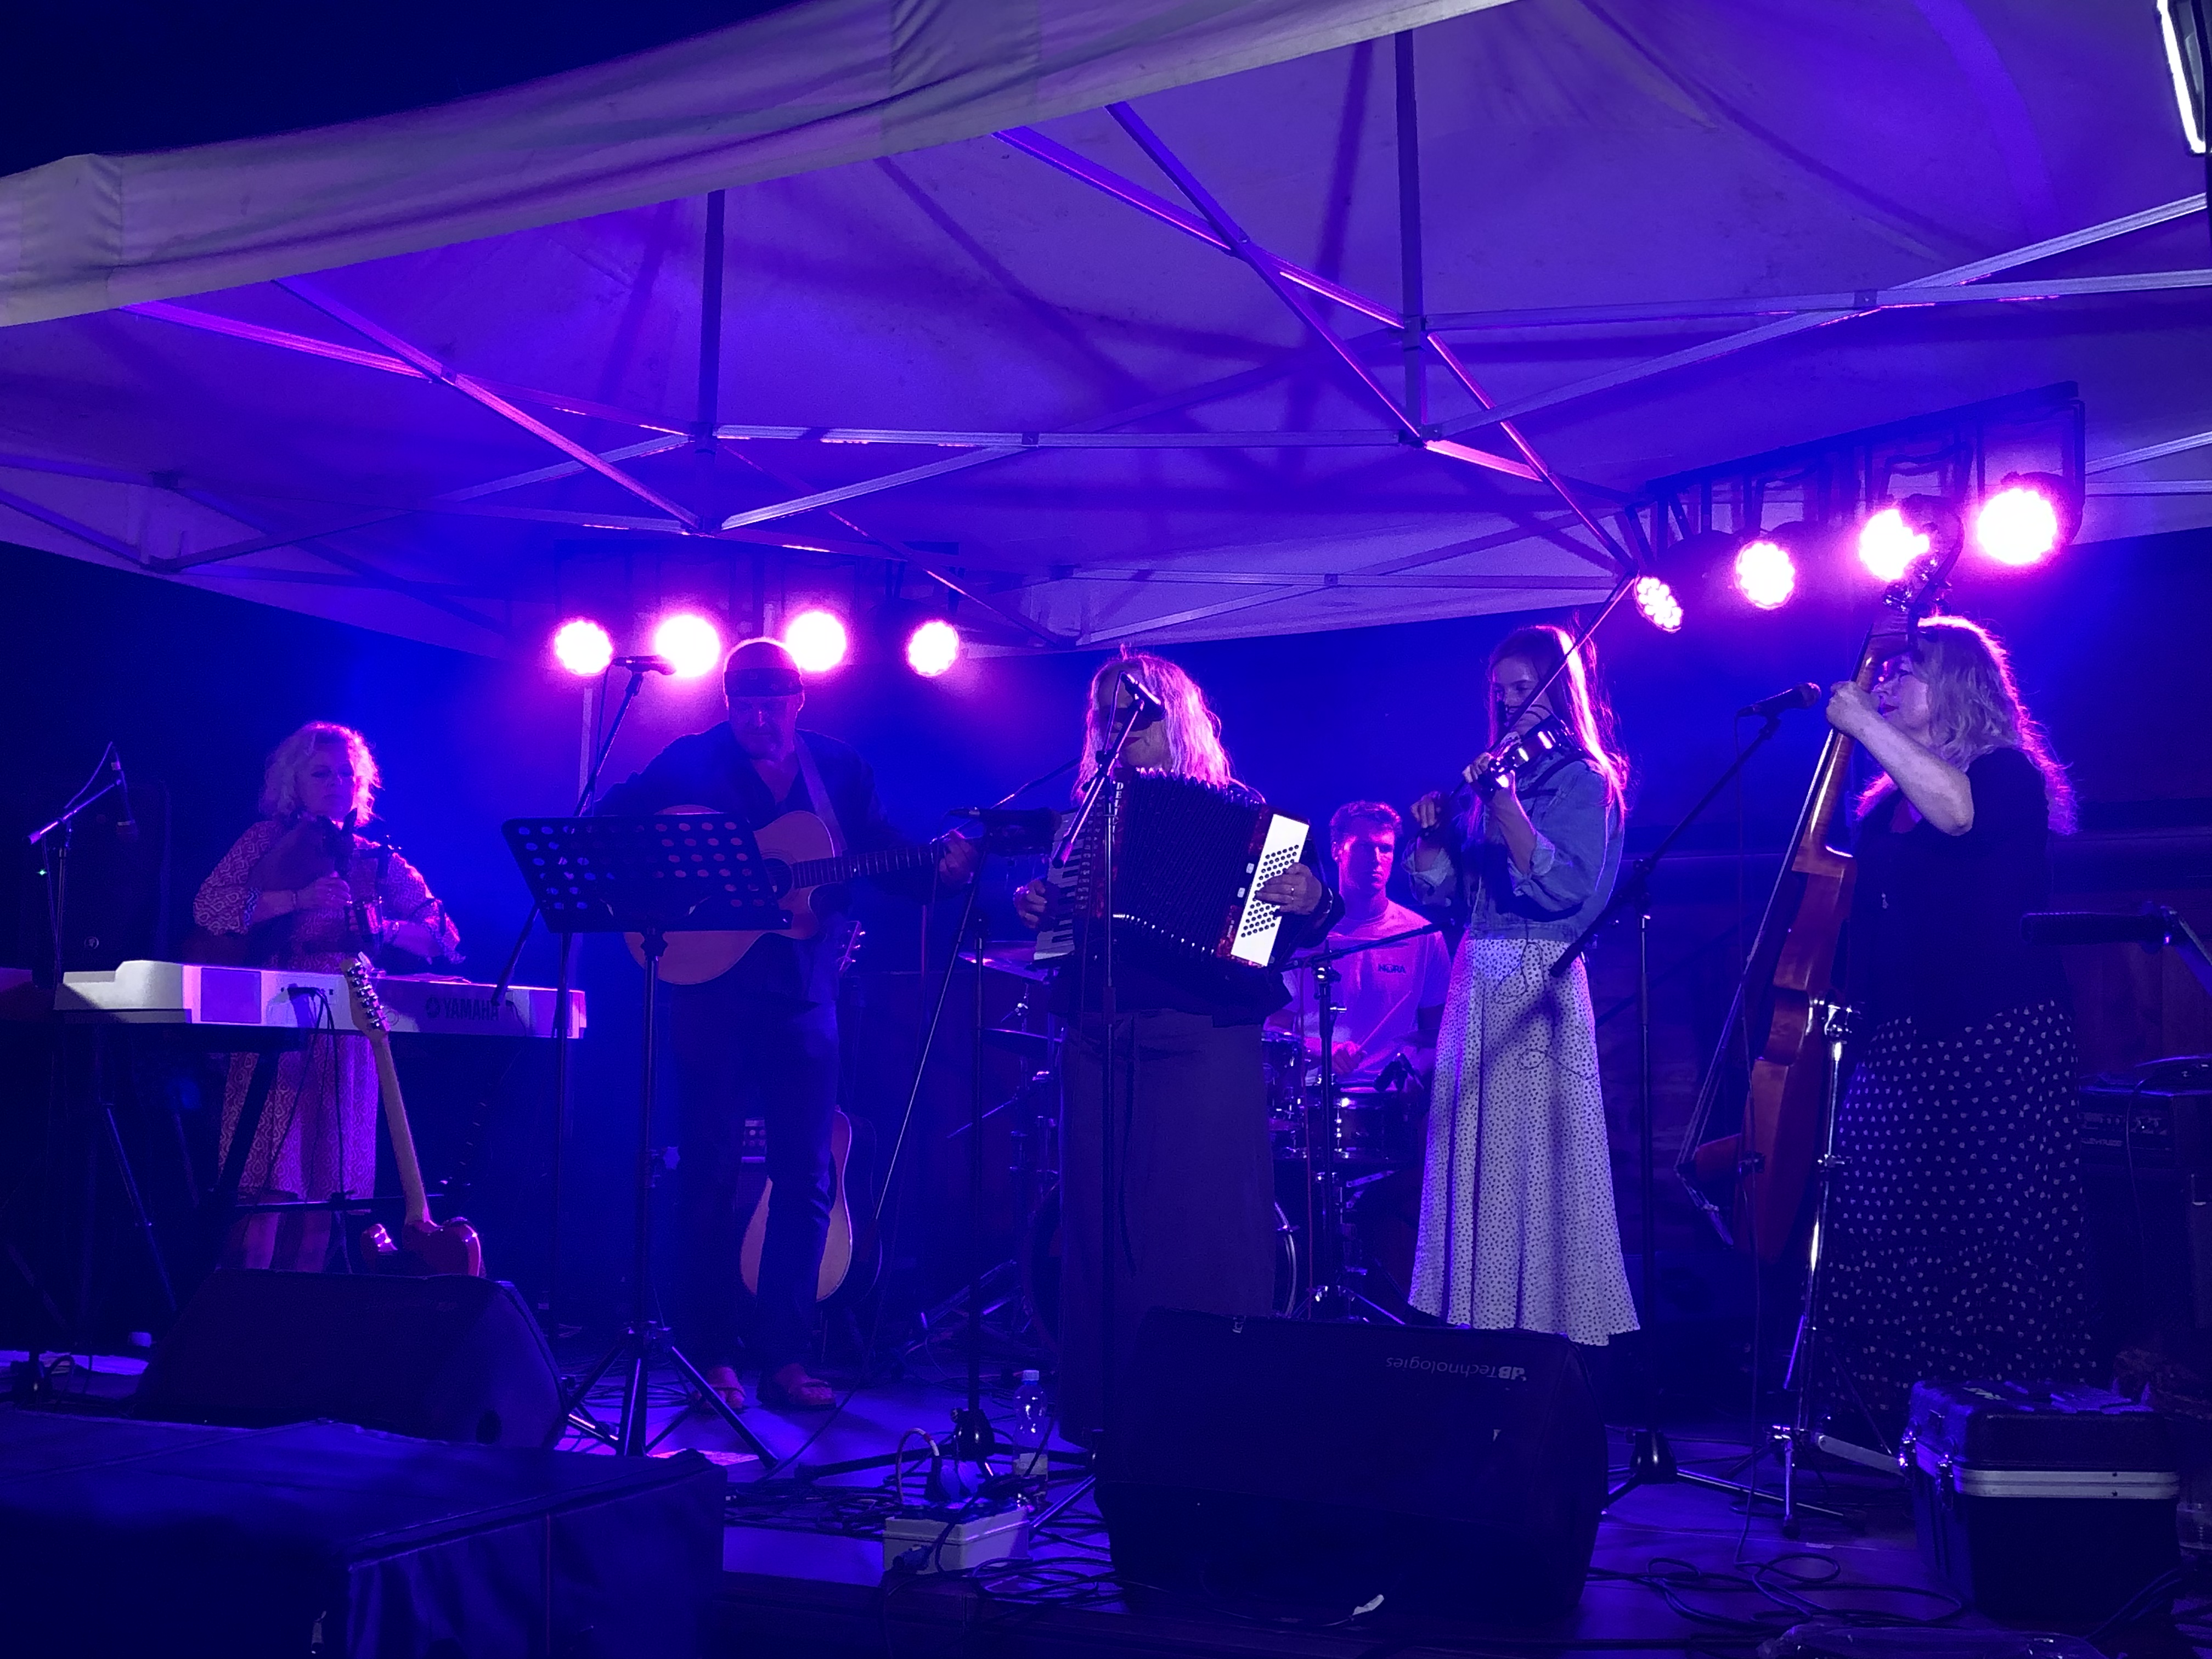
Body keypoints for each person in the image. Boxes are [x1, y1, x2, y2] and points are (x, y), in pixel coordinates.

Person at [598, 637, 978, 1412]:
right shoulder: (691, 760)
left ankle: (785, 1358)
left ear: (799, 701)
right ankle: (709, 1354)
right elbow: (612, 827)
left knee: (805, 1175)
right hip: (707, 989)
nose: (758, 719)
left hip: (805, 994)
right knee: (705, 1169)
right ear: (727, 702)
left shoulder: (837, 768)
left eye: (773, 705)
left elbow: (882, 854)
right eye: (744, 705)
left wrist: (940, 871)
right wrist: (668, 890)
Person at [1014, 652, 1338, 1442]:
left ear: (1176, 718)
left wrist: (1313, 898)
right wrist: (1041, 908)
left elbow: (1290, 927)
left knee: (1203, 1227)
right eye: (1106, 715)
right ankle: (1107, 1416)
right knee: (1100, 1227)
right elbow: (1061, 939)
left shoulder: (1245, 814)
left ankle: (1211, 1419)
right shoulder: (1087, 816)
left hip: (1202, 1038)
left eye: (1137, 711)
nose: (1120, 728)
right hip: (1098, 1035)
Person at [1818, 614, 2095, 1440]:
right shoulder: (1881, 814)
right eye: (1886, 673)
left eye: (1907, 670)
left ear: (1959, 686)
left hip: (1997, 1037)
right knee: (1885, 1221)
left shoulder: (2006, 775)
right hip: (1904, 1039)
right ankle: (1896, 1416)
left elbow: (1960, 815)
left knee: (1998, 1226)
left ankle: (2018, 1425)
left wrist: (1863, 725)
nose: (1886, 682)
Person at [1405, 624, 1638, 1347]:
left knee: (1537, 1165)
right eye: (1500, 692)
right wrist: (1434, 838)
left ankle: (1546, 1333)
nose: (1509, 704)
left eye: (1523, 689)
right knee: (1477, 1160)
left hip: (1541, 978)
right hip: (1476, 975)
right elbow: (1446, 896)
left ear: (1559, 691)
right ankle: (1481, 1327)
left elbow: (1565, 889)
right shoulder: (1491, 781)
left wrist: (1505, 805)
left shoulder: (1583, 780)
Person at [193, 722, 460, 1272]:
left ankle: (304, 1316)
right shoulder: (264, 840)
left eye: (345, 774)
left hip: (352, 1029)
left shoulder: (374, 857)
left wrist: (383, 927)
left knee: (326, 1198)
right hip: (277, 1016)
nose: (336, 783)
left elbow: (444, 936)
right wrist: (296, 898)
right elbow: (209, 907)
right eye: (321, 773)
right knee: (268, 1191)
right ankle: (246, 1313)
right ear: (293, 781)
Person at [1276, 800, 1450, 1092]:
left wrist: (1417, 1083)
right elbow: (1274, 1028)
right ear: (1337, 850)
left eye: (1385, 849)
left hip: (1390, 1097)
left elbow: (1439, 1034)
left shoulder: (1423, 936)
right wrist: (1322, 1049)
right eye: (1364, 847)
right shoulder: (1302, 934)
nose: (1376, 859)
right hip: (1312, 1095)